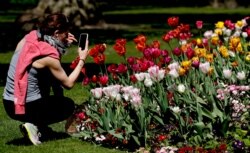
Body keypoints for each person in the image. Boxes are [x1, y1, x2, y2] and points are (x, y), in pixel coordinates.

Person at [2, 13, 89, 145]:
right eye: (66, 33)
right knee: (68, 105)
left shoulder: (28, 39)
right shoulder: (47, 55)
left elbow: (48, 68)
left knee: (45, 80)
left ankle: (41, 128)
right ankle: (33, 125)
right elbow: (69, 83)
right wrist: (82, 58)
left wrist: (62, 44)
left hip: (9, 103)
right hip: (26, 108)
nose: (68, 35)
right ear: (57, 33)